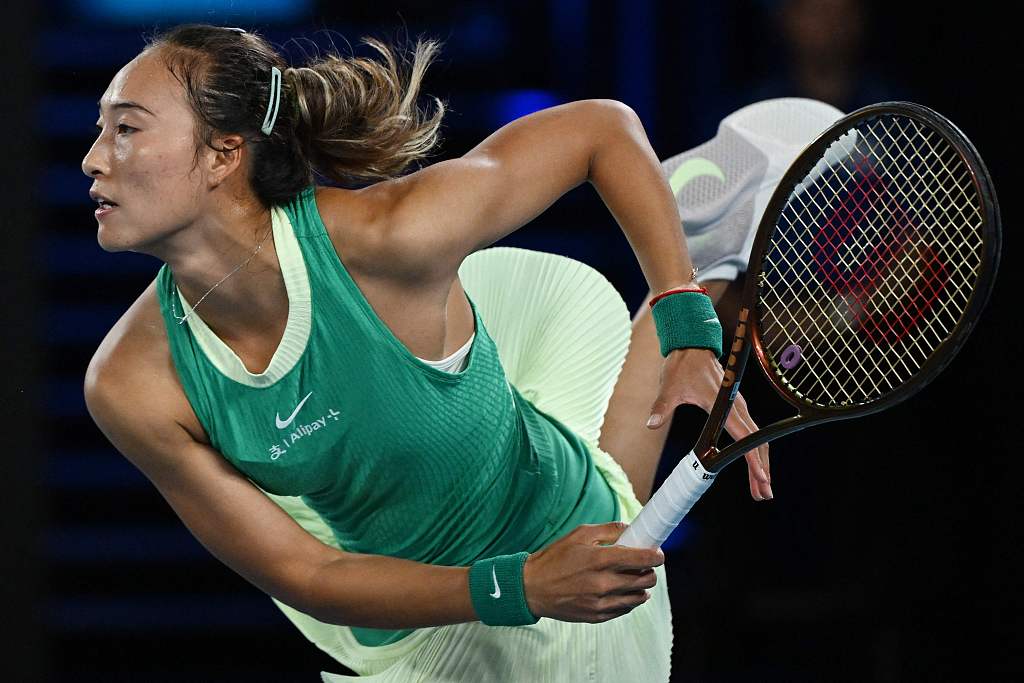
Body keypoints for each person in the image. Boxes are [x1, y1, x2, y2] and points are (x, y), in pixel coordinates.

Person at [80, 24, 771, 681]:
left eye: (126, 128)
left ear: (223, 155)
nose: (92, 157)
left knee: (599, 502)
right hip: (418, 610)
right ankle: (701, 258)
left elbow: (601, 129)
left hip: (534, 475)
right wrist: (521, 585)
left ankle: (698, 265)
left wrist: (689, 327)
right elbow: (308, 573)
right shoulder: (131, 383)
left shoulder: (391, 237)